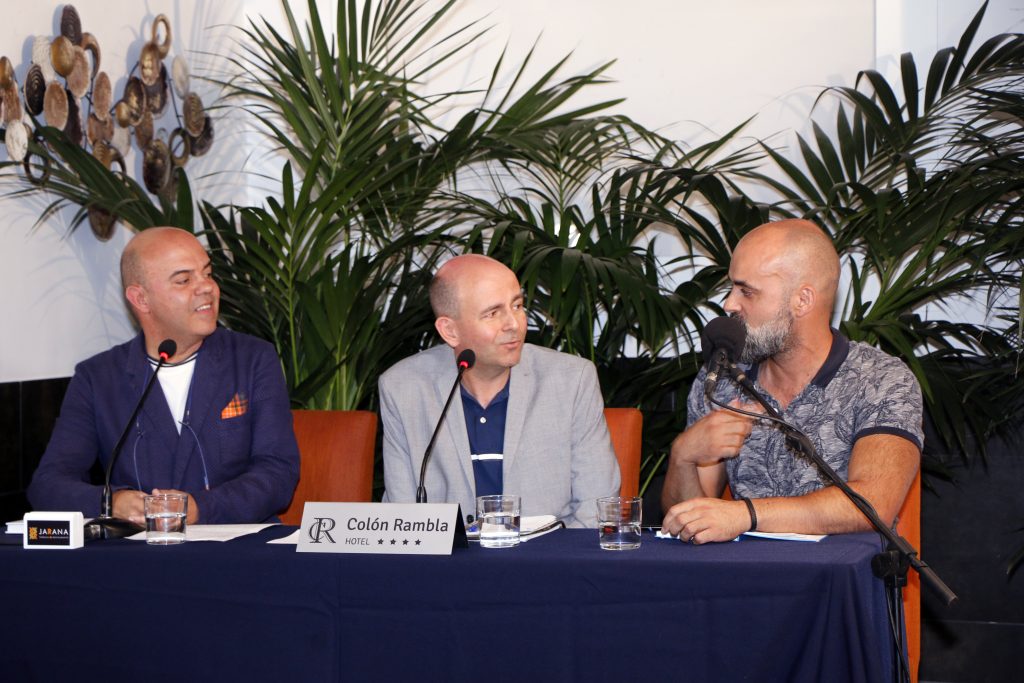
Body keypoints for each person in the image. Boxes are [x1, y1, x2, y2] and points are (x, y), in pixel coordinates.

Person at [661, 219, 922, 542]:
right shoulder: (722, 377)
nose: (729, 304)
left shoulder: (881, 379)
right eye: (732, 288)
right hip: (747, 581)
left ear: (803, 300)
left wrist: (745, 514)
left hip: (839, 584)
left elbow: (872, 503)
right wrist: (683, 456)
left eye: (747, 291)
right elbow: (690, 519)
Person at [28, 227, 299, 525]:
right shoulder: (97, 378)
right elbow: (48, 484)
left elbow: (277, 473)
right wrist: (112, 502)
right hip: (141, 558)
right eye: (184, 280)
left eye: (207, 274)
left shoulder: (253, 359)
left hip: (237, 551)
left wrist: (199, 508)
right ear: (141, 299)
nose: (206, 287)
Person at [379, 254, 620, 527]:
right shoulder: (403, 387)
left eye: (517, 305)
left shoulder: (571, 380)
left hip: (547, 560)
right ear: (450, 331)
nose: (514, 324)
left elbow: (596, 508)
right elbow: (402, 515)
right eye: (493, 313)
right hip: (451, 564)